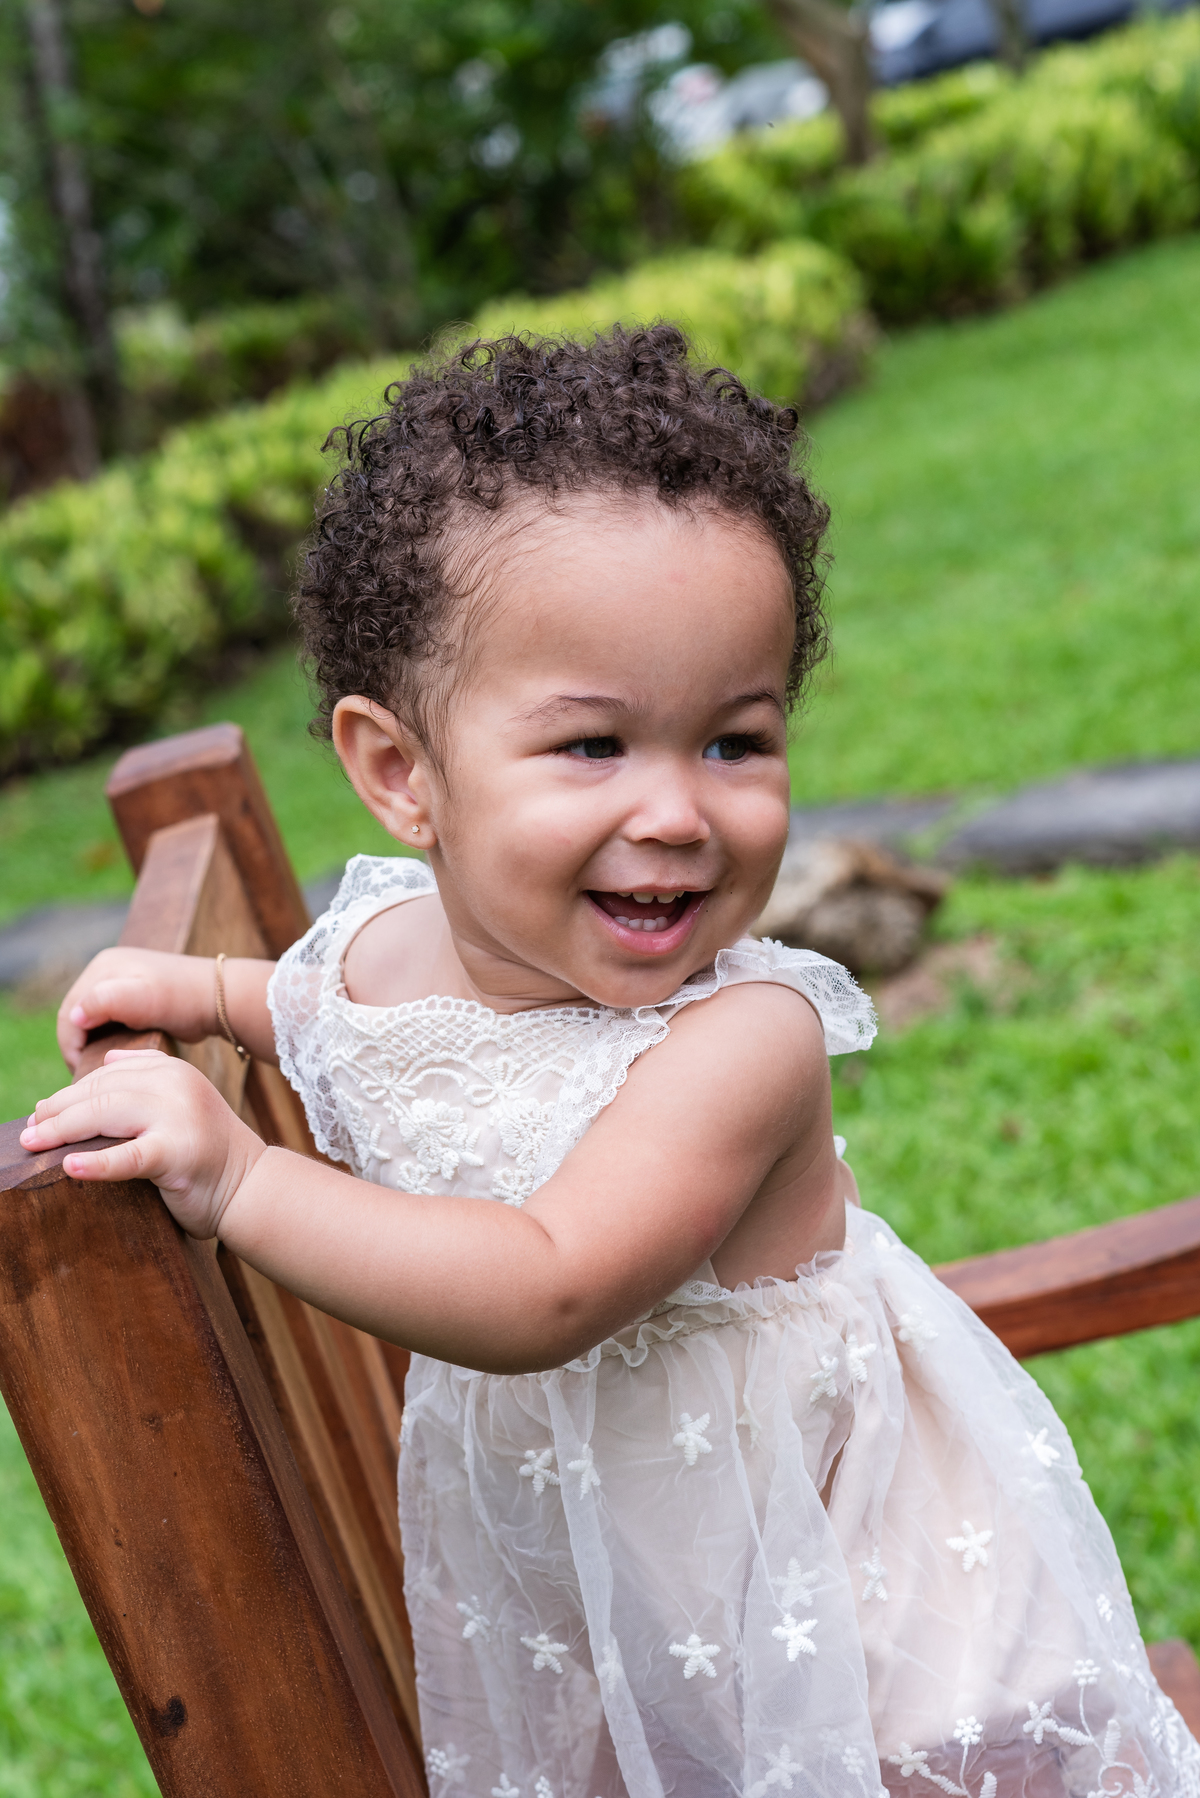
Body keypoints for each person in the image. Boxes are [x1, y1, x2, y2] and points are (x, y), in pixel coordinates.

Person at [22, 328, 1199, 1798]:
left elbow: (544, 1286)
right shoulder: (389, 951)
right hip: (644, 1616)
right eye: (593, 745)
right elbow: (349, 1021)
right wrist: (209, 992)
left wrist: (242, 1179)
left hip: (859, 1648)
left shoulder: (743, 1044)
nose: (677, 812)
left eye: (735, 742)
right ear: (401, 774)